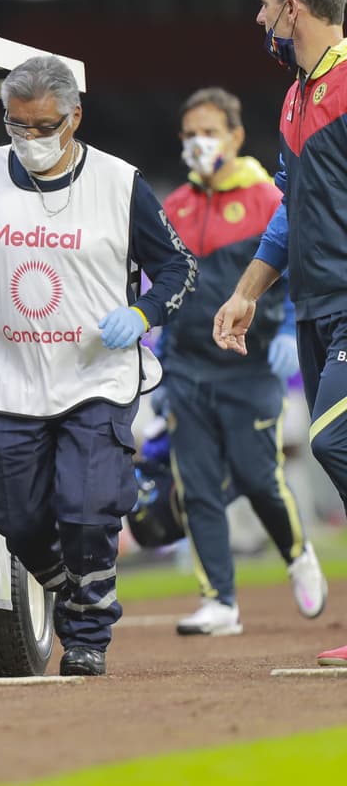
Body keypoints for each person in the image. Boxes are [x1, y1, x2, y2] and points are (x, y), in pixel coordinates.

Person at [0, 56, 197, 676]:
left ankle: (88, 633)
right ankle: (74, 586)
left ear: (75, 117)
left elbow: (179, 267)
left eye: (44, 126)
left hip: (94, 374)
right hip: (16, 375)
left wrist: (143, 313)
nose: (29, 140)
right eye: (16, 126)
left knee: (85, 504)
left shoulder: (120, 183)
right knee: (12, 514)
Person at [214, 0, 347, 666]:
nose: (259, 17)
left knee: (333, 440)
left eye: (265, 4)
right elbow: (289, 215)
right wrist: (246, 293)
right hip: (312, 305)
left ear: (293, 8)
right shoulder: (296, 98)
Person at [159, 86, 326, 637]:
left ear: (235, 136)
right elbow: (163, 282)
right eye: (188, 134)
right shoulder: (176, 207)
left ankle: (298, 553)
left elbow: (304, 264)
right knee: (197, 486)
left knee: (258, 476)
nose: (197, 143)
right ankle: (219, 602)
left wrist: (283, 332)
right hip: (187, 367)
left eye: (208, 131)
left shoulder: (266, 199)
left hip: (250, 365)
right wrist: (158, 354)